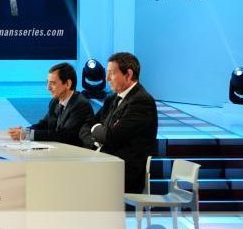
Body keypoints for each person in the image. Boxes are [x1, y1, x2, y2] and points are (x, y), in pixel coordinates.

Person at [79, 52, 158, 194]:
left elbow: (110, 137)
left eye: (111, 73)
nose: (107, 78)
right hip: (106, 164)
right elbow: (86, 125)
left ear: (128, 74)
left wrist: (96, 128)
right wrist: (94, 140)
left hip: (125, 173)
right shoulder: (112, 99)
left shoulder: (142, 101)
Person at [8, 62, 94, 146]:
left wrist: (27, 134)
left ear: (68, 84)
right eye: (48, 82)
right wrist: (24, 131)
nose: (48, 88)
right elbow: (44, 124)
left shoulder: (81, 105)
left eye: (53, 83)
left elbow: (64, 135)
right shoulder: (55, 101)